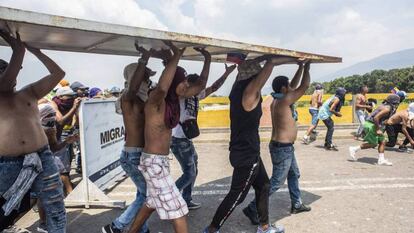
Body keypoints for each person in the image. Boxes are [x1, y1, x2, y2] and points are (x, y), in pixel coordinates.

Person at [203, 56, 297, 233]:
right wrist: (279, 59)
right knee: (237, 196)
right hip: (247, 154)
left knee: (264, 186)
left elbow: (252, 72)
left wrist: (255, 60)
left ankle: (264, 227)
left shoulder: (237, 89)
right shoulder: (249, 92)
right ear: (254, 77)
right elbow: (267, 69)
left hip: (244, 150)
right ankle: (212, 229)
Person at [0, 30, 66, 232]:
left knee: (56, 207)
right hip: (9, 163)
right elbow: (6, 79)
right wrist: (17, 49)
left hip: (42, 157)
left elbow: (58, 74)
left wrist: (35, 51)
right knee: (3, 210)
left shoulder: (28, 92)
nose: (7, 76)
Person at [127, 42, 189, 233]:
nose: (187, 85)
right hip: (153, 164)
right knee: (178, 210)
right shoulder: (156, 101)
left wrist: (207, 60)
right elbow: (163, 86)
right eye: (183, 81)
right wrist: (175, 56)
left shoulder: (172, 103)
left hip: (159, 162)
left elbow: (201, 85)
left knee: (151, 203)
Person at [242, 61, 312, 226]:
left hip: (284, 147)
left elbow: (293, 85)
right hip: (283, 148)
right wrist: (307, 68)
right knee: (276, 182)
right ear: (283, 89)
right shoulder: (284, 101)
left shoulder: (278, 99)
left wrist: (300, 67)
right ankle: (252, 208)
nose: (290, 88)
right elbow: (304, 85)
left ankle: (296, 204)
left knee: (294, 174)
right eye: (288, 86)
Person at [102, 44, 155, 233]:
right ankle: (117, 227)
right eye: (146, 78)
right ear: (137, 79)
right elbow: (132, 87)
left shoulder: (142, 99)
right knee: (149, 195)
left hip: (137, 154)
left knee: (143, 193)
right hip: (133, 155)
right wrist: (144, 58)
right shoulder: (128, 98)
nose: (149, 82)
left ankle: (142, 229)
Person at [170, 49, 233, 211]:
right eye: (196, 86)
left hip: (186, 139)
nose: (200, 89)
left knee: (193, 168)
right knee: (189, 173)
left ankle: (186, 198)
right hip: (178, 139)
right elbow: (204, 84)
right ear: (189, 85)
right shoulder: (181, 96)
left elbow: (214, 87)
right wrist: (207, 58)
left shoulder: (195, 96)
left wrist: (226, 74)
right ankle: (170, 199)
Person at [37, 103, 79, 232]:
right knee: (41, 195)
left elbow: (54, 147)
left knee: (51, 194)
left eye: (53, 116)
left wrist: (67, 141)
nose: (52, 118)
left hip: (48, 164)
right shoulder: (31, 129)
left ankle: (50, 222)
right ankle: (44, 222)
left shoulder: (51, 128)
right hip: (36, 167)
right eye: (49, 116)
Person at [348, 94, 401, 166]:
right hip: (371, 124)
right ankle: (354, 149)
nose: (397, 105)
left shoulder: (387, 107)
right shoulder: (387, 109)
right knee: (373, 144)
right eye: (396, 103)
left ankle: (381, 160)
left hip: (373, 124)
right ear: (392, 102)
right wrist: (378, 129)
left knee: (382, 141)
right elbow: (376, 118)